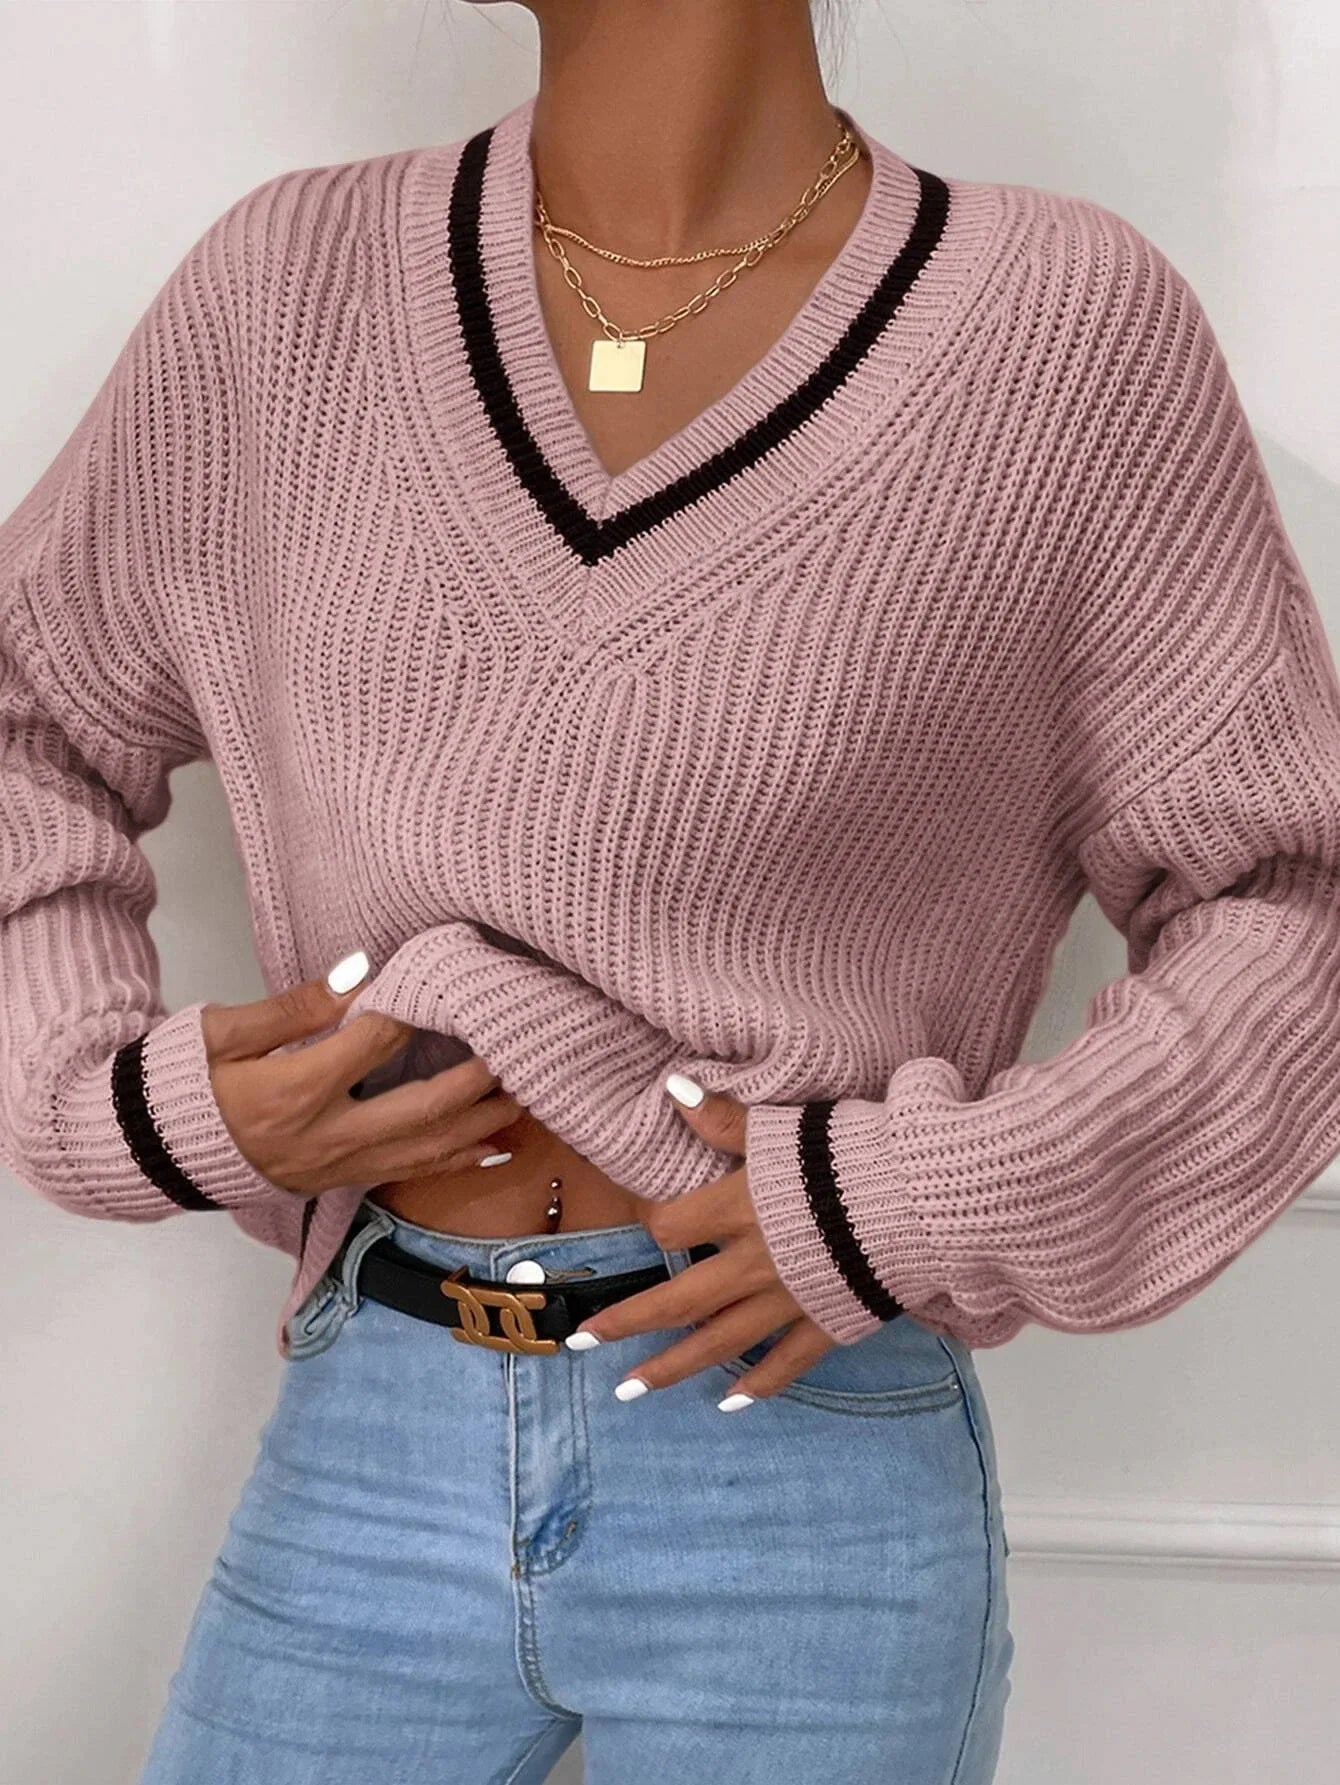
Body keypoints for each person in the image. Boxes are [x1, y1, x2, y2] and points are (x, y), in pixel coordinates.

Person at [3, 2, 1339, 1781]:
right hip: (368, 1418)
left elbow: (1288, 893)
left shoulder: (1062, 336)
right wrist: (121, 1099)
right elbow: (25, 716)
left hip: (803, 1465)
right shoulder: (284, 295)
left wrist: (916, 1199)